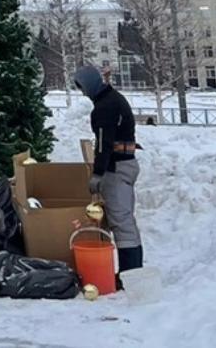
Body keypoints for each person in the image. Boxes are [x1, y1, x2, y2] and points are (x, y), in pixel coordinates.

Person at [73, 65, 141, 276]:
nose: (83, 93)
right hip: (124, 163)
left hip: (117, 167)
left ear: (91, 83)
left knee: (121, 221)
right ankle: (129, 272)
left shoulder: (105, 106)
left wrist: (98, 173)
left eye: (83, 87)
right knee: (122, 219)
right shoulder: (113, 99)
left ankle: (131, 274)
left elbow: (103, 143)